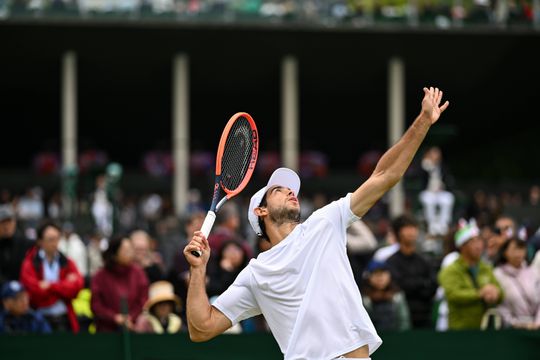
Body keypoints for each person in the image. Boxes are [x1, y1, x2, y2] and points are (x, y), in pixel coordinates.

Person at [183, 87, 449, 359]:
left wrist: (423, 122)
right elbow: (201, 328)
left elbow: (384, 175)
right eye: (279, 190)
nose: (290, 192)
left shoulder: (325, 222)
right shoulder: (256, 274)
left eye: (291, 190)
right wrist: (198, 270)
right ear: (261, 211)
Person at [438, 219, 503, 330]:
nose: (478, 245)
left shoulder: (486, 267)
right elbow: (453, 295)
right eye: (472, 241)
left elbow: (501, 291)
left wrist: (495, 293)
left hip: (485, 328)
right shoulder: (451, 269)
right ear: (462, 246)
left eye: (479, 241)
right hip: (460, 330)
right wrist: (480, 294)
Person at [19, 221, 84, 332]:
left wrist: (49, 285)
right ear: (40, 241)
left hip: (64, 318)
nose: (55, 243)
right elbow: (33, 291)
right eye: (50, 239)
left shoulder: (67, 262)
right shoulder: (30, 263)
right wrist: (62, 287)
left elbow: (76, 287)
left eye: (57, 238)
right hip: (39, 319)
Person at [386, 215, 437, 328]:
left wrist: (412, 284)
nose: (411, 232)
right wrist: (422, 283)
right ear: (398, 232)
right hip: (399, 320)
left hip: (425, 317)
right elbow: (398, 286)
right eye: (406, 228)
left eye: (413, 228)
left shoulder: (425, 261)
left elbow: (433, 286)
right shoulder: (391, 262)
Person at [91, 236, 149, 332]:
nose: (130, 253)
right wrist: (114, 317)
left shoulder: (138, 273)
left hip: (133, 329)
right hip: (106, 331)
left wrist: (131, 317)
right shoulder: (100, 276)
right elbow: (96, 305)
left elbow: (143, 300)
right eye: (125, 250)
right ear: (114, 254)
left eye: (131, 249)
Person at [493, 237, 540, 329]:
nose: (518, 253)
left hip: (536, 327)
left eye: (521, 249)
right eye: (515, 249)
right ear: (505, 252)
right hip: (511, 329)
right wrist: (514, 324)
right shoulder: (497, 275)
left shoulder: (533, 272)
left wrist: (537, 322)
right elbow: (500, 305)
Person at [361, 261, 410, 331]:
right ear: (369, 278)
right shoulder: (363, 298)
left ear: (389, 276)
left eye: (383, 274)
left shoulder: (397, 296)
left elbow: (404, 322)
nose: (380, 278)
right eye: (375, 274)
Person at [0, 205, 33, 289]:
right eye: (3, 222)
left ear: (14, 222)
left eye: (9, 222)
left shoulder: (25, 243)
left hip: (22, 290)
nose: (6, 226)